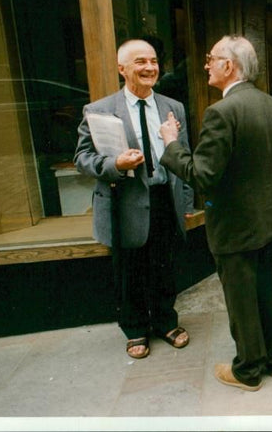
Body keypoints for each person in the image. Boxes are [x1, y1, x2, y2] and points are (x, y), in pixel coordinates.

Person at [159, 35, 272, 392]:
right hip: (267, 223)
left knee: (242, 301)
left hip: (234, 228)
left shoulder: (221, 112)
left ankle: (249, 369)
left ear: (229, 65)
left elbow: (203, 175)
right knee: (268, 294)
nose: (206, 64)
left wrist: (171, 144)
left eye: (211, 57)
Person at [74, 38, 194, 360]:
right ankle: (135, 329)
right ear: (121, 68)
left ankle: (166, 323)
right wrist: (115, 164)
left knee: (165, 267)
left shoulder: (173, 107)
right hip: (124, 202)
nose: (149, 68)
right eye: (140, 61)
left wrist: (186, 201)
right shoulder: (99, 110)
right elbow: (82, 158)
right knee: (130, 271)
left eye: (153, 61)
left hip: (164, 199)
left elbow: (183, 158)